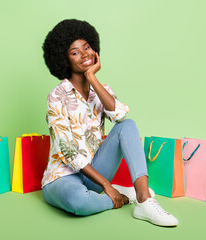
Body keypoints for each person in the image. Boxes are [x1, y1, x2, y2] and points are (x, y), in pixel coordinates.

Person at [41, 19, 178, 227]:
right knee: (79, 201)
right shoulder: (57, 96)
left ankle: (144, 200)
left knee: (128, 125)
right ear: (64, 60)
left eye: (86, 47)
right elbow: (68, 151)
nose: (84, 54)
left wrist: (92, 79)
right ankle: (120, 196)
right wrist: (108, 185)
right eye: (75, 52)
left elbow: (120, 116)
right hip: (62, 178)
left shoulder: (101, 89)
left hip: (94, 174)